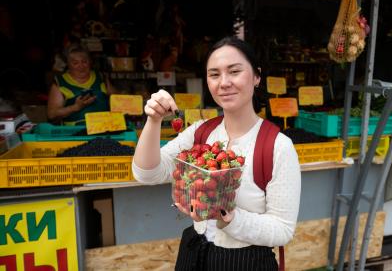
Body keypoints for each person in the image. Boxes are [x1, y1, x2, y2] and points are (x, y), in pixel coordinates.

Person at [132, 36, 301, 270]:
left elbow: (283, 229)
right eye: (214, 74)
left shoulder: (278, 147)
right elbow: (147, 174)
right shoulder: (199, 132)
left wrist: (229, 217)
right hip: (194, 252)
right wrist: (154, 120)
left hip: (246, 262)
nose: (224, 83)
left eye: (234, 71)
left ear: (256, 76)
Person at [47, 43, 111, 125]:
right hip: (75, 132)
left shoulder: (100, 77)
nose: (81, 66)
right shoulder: (60, 82)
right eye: (75, 63)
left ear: (90, 62)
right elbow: (52, 114)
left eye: (84, 61)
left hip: (105, 128)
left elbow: (116, 98)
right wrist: (75, 107)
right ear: (68, 64)